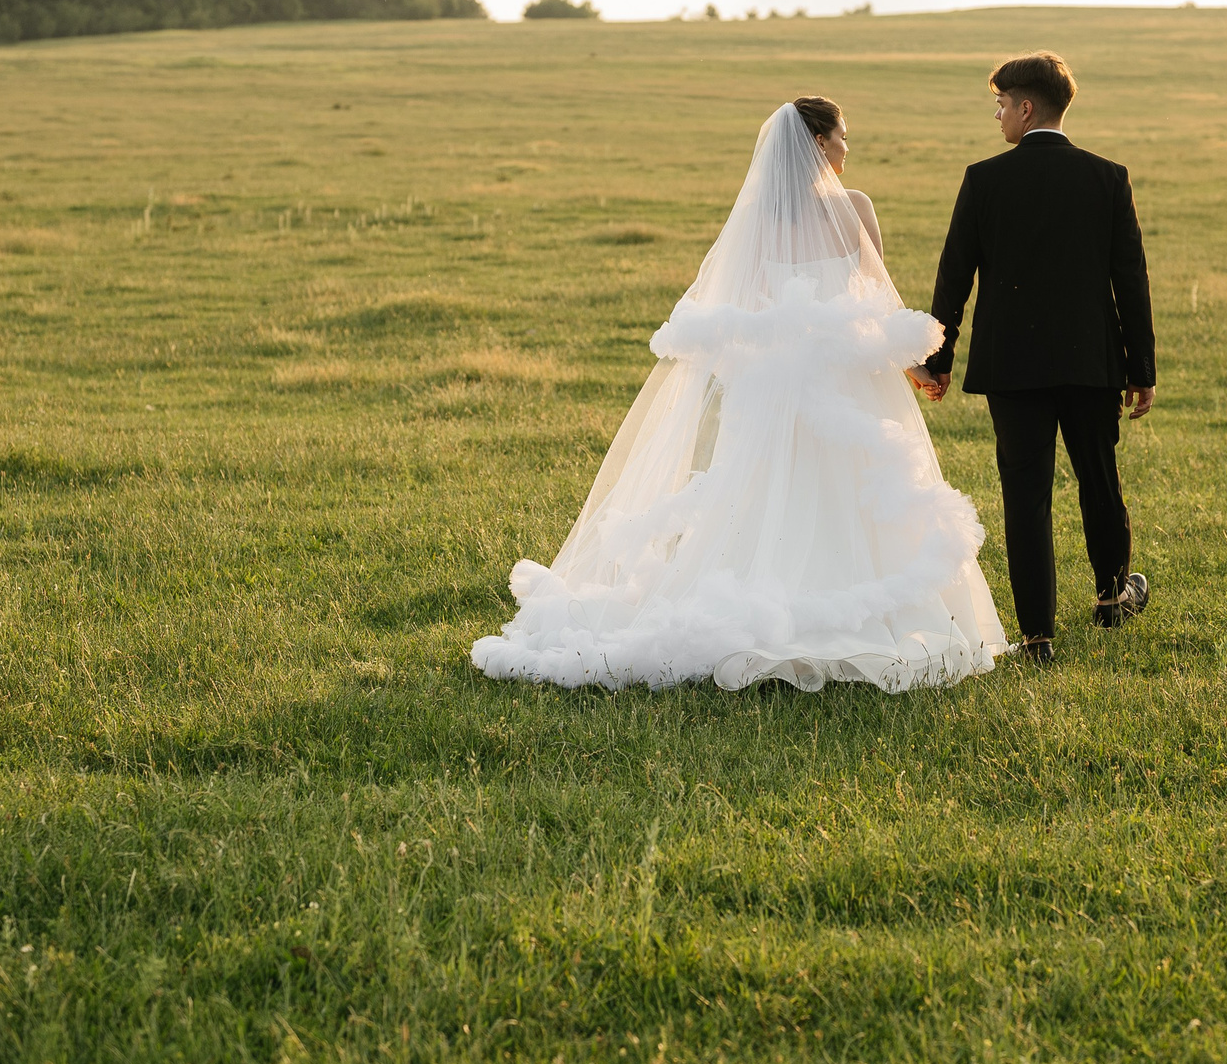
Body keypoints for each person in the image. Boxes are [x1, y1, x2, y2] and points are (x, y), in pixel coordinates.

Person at [472, 97, 1011, 692]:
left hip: (777, 384)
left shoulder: (759, 220)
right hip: (849, 382)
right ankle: (865, 612)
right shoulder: (856, 209)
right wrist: (917, 370)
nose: (846, 148)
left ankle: (771, 606)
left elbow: (750, 308)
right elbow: (874, 304)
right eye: (842, 136)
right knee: (853, 491)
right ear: (819, 144)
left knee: (772, 490)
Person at [909, 53, 1155, 664]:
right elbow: (1132, 280)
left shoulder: (985, 180)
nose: (997, 116)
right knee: (1099, 478)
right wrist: (1140, 368)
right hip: (1091, 362)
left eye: (1000, 104)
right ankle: (1109, 595)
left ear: (1025, 107)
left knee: (1025, 493)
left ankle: (1037, 636)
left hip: (1012, 366)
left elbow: (953, 278)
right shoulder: (1107, 177)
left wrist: (937, 359)